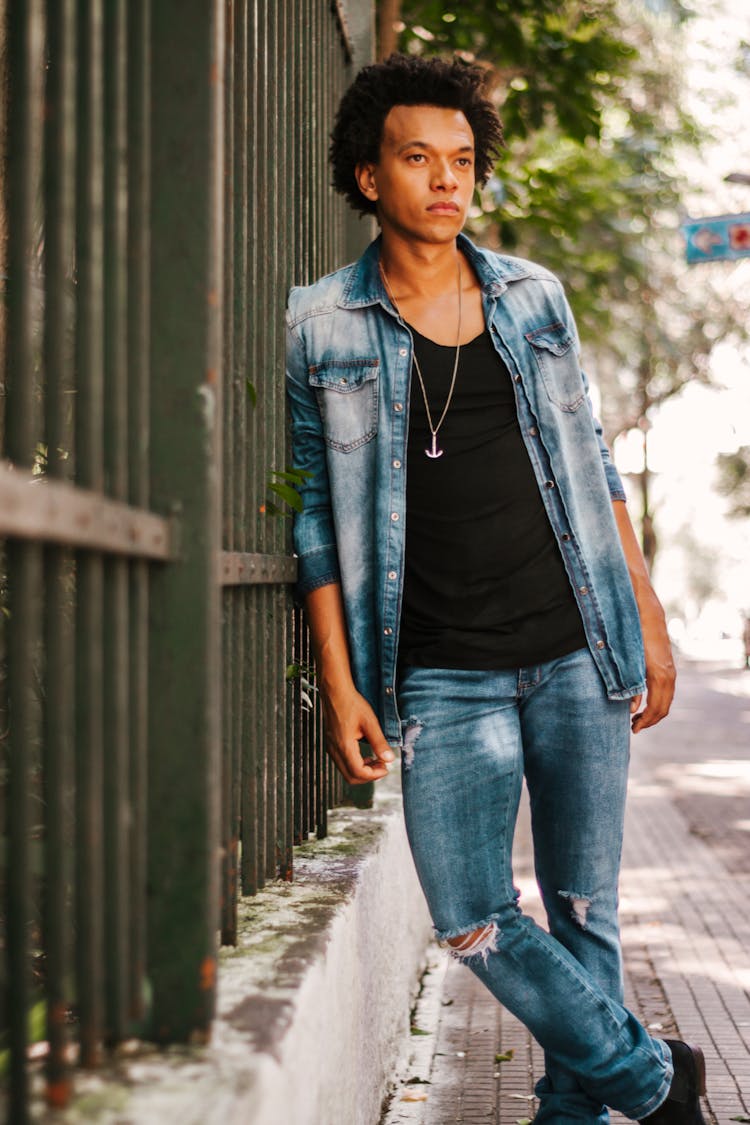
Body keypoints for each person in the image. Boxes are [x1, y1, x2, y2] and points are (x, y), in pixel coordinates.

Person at [286, 53, 705, 1123]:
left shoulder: (533, 297)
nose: (445, 181)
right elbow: (316, 530)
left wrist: (646, 626)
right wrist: (342, 688)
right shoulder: (321, 325)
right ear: (368, 176)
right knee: (472, 915)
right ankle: (655, 1084)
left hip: (575, 646)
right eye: (417, 158)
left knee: (583, 911)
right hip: (440, 673)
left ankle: (581, 1115)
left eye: (462, 161)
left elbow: (598, 468)